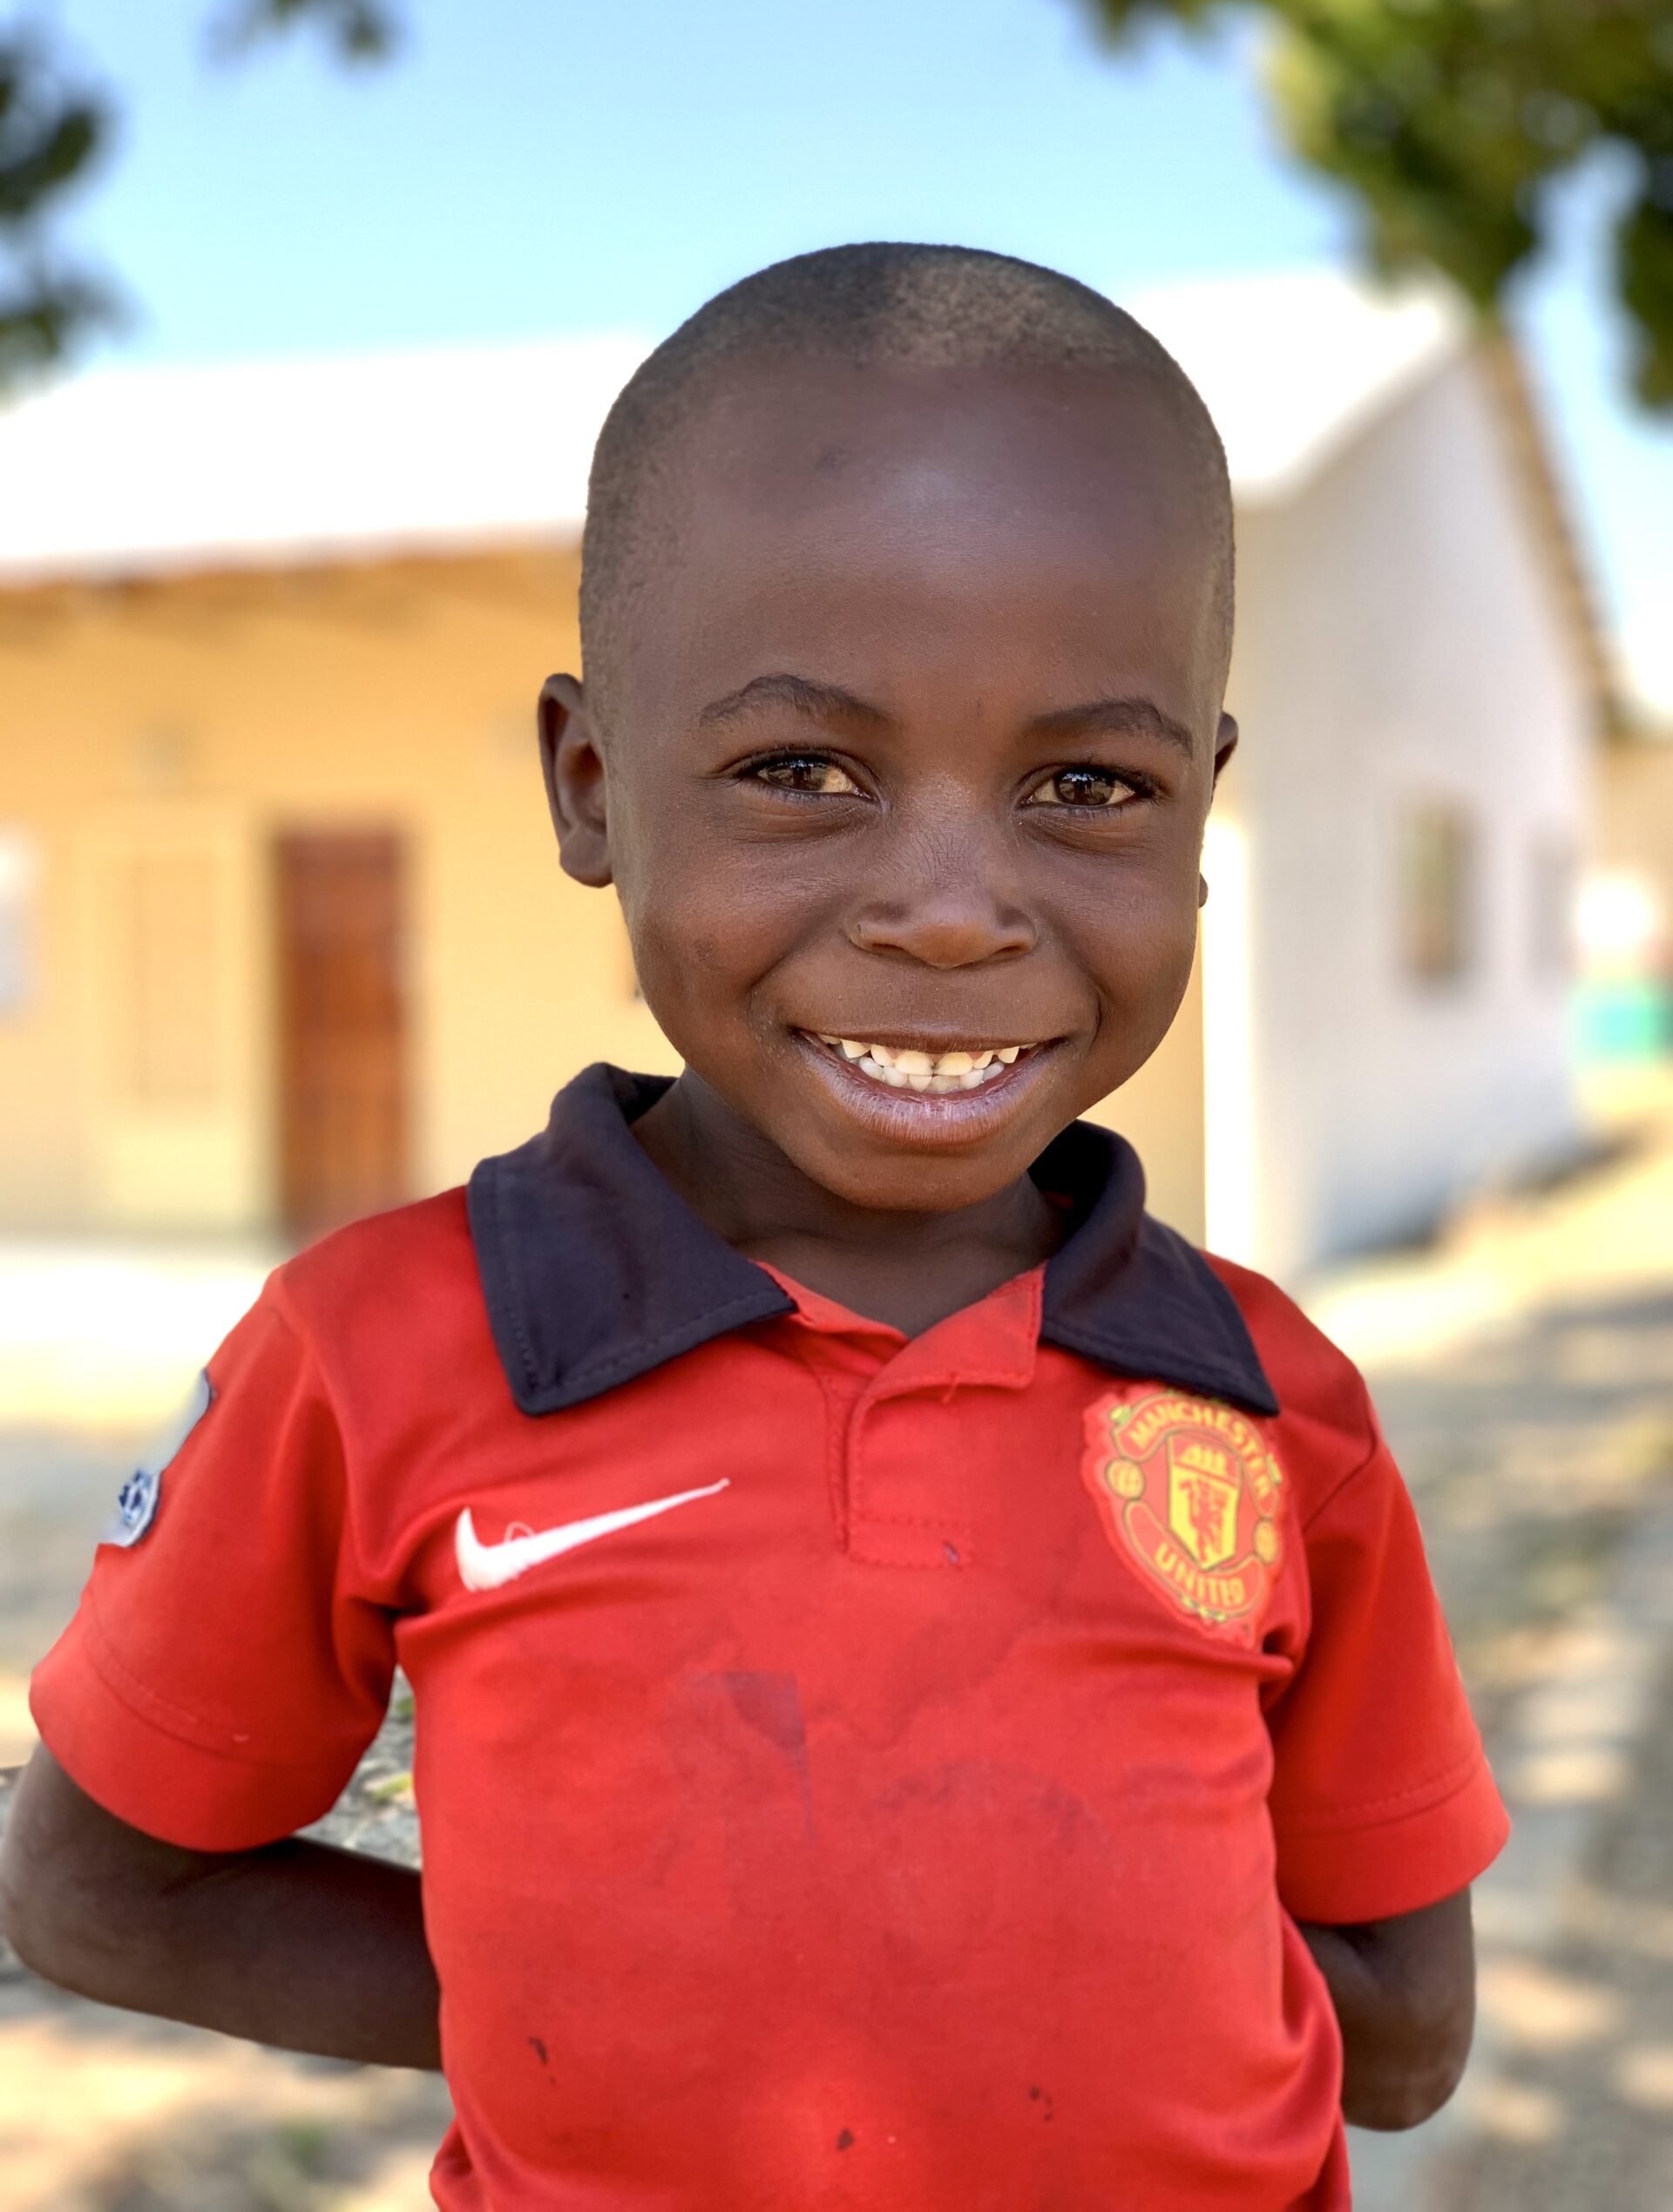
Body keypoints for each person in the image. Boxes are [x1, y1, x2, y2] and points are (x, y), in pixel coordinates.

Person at [0, 243, 1507, 2209]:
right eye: (804, 772)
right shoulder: (379, 1350)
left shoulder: (1271, 1400)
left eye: (1086, 782)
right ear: (592, 785)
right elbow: (102, 1887)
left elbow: (1408, 2031)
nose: (950, 911)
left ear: (1199, 810)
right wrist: (596, 2008)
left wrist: (1025, 1995)